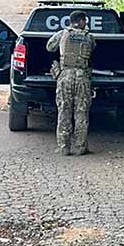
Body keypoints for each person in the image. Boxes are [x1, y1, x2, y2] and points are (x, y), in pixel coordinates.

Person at [46, 10, 97, 155]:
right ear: (80, 21)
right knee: (81, 112)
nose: (86, 23)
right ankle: (80, 147)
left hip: (65, 77)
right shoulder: (89, 37)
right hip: (82, 77)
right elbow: (93, 48)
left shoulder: (62, 34)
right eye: (84, 21)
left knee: (64, 111)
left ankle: (64, 147)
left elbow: (49, 47)